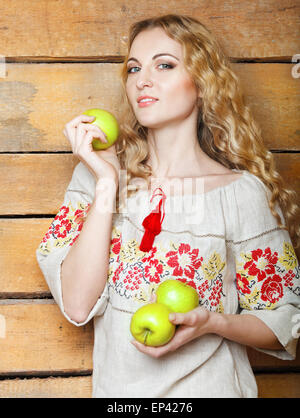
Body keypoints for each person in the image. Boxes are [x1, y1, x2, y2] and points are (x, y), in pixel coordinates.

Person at [36, 14, 300, 398]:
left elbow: (285, 321)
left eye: (164, 65)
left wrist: (212, 323)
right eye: (133, 68)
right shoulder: (96, 177)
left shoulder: (243, 194)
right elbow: (77, 306)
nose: (142, 79)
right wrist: (108, 182)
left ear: (202, 83)